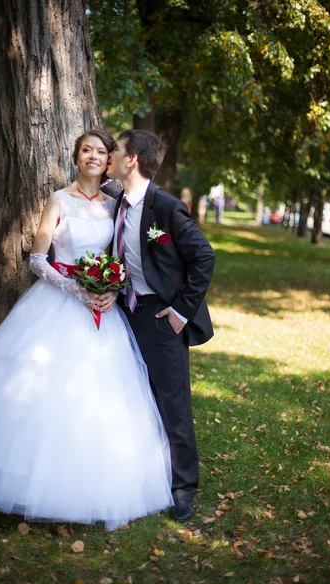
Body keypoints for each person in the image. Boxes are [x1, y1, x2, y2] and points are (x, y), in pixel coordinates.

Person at [0, 130, 173, 531]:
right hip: (57, 304)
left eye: (102, 151)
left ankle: (97, 484)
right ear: (76, 157)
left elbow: (124, 257)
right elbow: (36, 258)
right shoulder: (58, 199)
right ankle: (25, 485)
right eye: (87, 150)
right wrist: (76, 289)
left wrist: (112, 292)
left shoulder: (116, 205)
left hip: (104, 311)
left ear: (110, 160)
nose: (94, 157)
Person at [104, 130, 215, 522]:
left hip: (161, 317)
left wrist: (180, 312)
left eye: (114, 151)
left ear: (131, 159)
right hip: (124, 314)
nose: (109, 157)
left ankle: (184, 487)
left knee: (173, 402)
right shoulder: (116, 201)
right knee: (134, 398)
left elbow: (204, 257)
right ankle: (143, 474)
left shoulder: (166, 208)